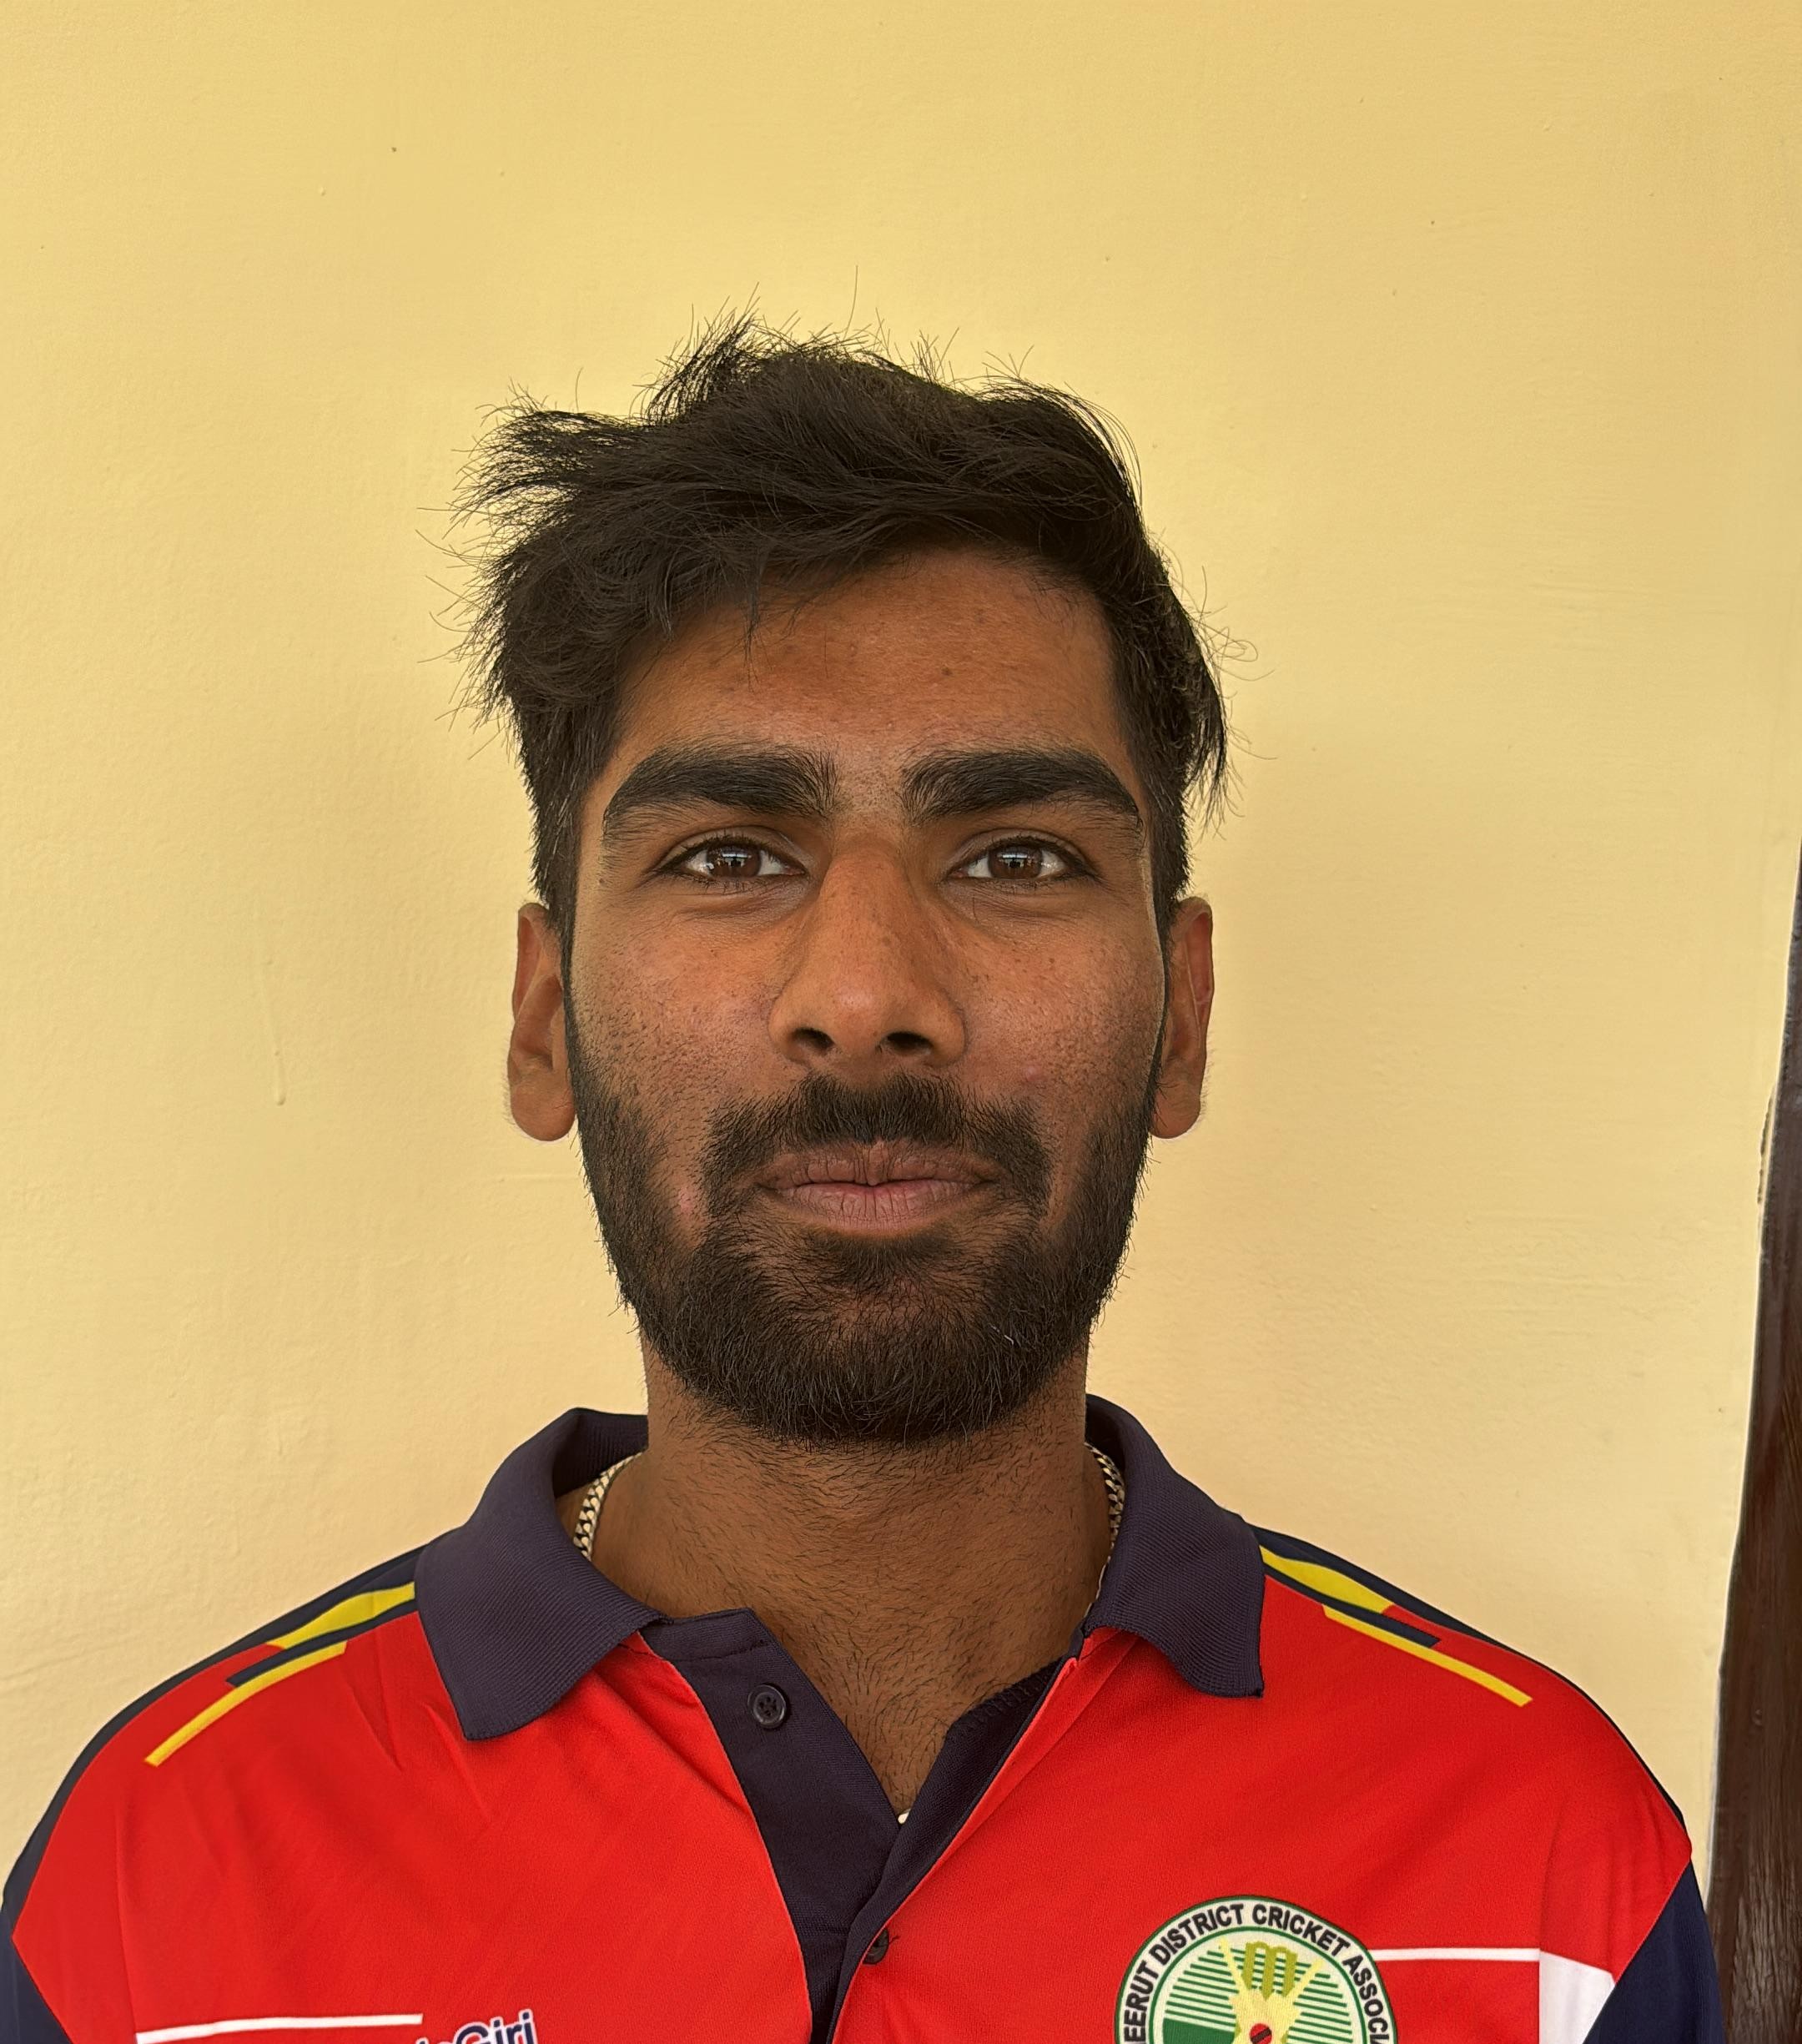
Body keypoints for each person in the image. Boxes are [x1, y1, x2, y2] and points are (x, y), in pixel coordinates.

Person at [3, 316, 1722, 2044]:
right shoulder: (156, 1886)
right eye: (728, 855)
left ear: (1183, 1016)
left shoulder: (1545, 1869)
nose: (867, 994)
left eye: (1017, 855)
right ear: (544, 1018)